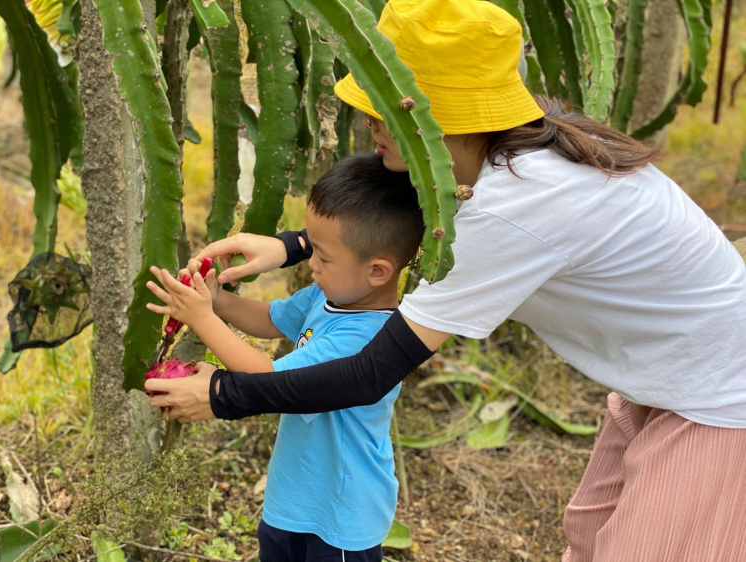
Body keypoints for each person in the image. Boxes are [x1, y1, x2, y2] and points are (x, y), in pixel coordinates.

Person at [145, 0, 746, 560]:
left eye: (381, 102)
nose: (366, 118)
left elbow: (368, 372)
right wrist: (291, 246)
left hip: (718, 396)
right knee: (592, 537)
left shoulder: (515, 211)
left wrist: (224, 394)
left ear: (433, 114)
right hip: (669, 373)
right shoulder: (513, 149)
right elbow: (415, 212)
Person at [146, 152, 425, 562]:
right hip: (291, 500)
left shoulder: (367, 336)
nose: (309, 263)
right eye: (311, 248)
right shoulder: (329, 294)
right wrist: (216, 300)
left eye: (323, 257)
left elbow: (266, 377)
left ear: (378, 271)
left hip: (340, 517)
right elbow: (268, 319)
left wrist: (201, 318)